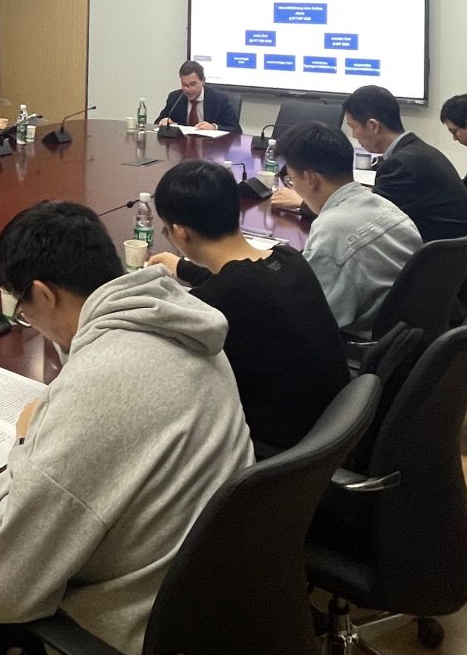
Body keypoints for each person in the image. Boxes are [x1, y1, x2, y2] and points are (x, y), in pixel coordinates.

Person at [0, 201, 250, 655]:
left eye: (23, 310)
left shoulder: (96, 390)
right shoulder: (183, 320)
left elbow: (2, 593)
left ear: (44, 294)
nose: (29, 322)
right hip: (233, 620)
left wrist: (26, 442)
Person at [144, 159, 349, 449]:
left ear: (180, 232)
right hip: (333, 427)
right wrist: (182, 267)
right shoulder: (289, 258)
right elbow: (241, 281)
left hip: (276, 450)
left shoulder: (213, 304)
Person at [272, 121, 421, 338]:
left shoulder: (332, 231)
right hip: (400, 335)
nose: (292, 186)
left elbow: (310, 318)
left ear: (311, 179)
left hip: (355, 343)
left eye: (290, 180)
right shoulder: (384, 206)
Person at [343, 84, 467, 243]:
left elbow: (368, 221)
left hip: (434, 253)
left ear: (373, 126)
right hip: (453, 248)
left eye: (353, 127)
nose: (353, 135)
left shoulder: (400, 165)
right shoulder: (418, 151)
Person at [156, 61, 241, 133]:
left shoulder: (220, 99)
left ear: (203, 81)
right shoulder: (175, 97)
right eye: (184, 84)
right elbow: (156, 123)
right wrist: (164, 121)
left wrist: (214, 127)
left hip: (210, 146)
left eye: (193, 84)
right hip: (182, 145)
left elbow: (236, 130)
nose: (188, 89)